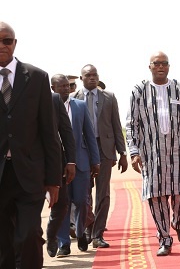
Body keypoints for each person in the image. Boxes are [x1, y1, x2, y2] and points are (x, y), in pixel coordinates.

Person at [0, 21, 63, 268]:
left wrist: (53, 179)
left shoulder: (36, 77)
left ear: (15, 43)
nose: (2, 46)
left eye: (7, 40)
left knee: (28, 236)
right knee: (3, 243)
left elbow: (49, 132)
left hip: (29, 176)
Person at [126, 51, 180, 256]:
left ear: (169, 66)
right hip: (151, 153)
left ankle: (178, 221)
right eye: (156, 63)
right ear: (150, 67)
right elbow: (132, 124)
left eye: (164, 63)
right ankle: (164, 237)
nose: (160, 67)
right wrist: (134, 151)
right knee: (156, 196)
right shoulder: (139, 91)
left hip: (179, 151)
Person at [72, 64, 128, 248]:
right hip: (83, 150)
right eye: (88, 75)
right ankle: (87, 230)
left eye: (95, 75)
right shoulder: (74, 99)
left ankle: (98, 234)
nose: (92, 78)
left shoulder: (109, 97)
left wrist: (122, 152)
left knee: (103, 193)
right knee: (84, 192)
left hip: (104, 150)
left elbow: (116, 125)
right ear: (81, 78)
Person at [48, 74, 101, 257]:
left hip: (81, 163)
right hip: (57, 165)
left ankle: (79, 232)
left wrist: (95, 160)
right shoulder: (45, 108)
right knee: (62, 204)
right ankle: (64, 243)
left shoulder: (79, 106)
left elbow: (89, 134)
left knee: (81, 201)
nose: (65, 88)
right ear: (52, 88)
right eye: (61, 86)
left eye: (68, 85)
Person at [45, 91, 77, 258]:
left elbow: (66, 131)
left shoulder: (53, 99)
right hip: (28, 164)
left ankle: (51, 235)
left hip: (55, 162)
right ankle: (32, 248)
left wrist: (71, 161)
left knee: (61, 204)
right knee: (28, 207)